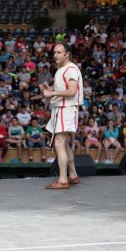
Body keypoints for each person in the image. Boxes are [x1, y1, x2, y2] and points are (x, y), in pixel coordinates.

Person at [41, 43, 83, 189]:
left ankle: (63, 180)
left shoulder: (71, 69)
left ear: (67, 54)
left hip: (66, 109)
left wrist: (51, 93)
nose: (56, 55)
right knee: (64, 144)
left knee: (59, 143)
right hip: (62, 109)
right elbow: (63, 89)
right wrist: (50, 88)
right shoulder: (61, 69)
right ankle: (73, 175)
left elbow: (71, 91)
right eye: (55, 53)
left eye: (59, 52)